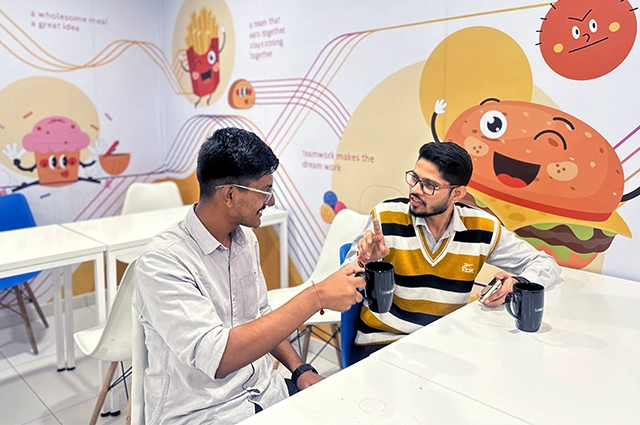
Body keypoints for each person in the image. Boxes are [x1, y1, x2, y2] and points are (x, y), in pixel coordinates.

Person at [132, 127, 365, 424]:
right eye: (265, 191)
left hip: (264, 393)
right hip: (203, 412)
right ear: (229, 195)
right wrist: (315, 297)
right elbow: (219, 358)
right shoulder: (163, 262)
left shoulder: (244, 241)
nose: (271, 201)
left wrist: (300, 370)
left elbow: (260, 315)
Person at [347, 141, 560, 360]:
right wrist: (364, 260)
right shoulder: (385, 217)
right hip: (384, 342)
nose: (415, 189)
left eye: (429, 185)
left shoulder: (482, 227)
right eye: (414, 178)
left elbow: (546, 263)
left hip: (444, 345)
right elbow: (343, 281)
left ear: (457, 193)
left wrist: (518, 282)